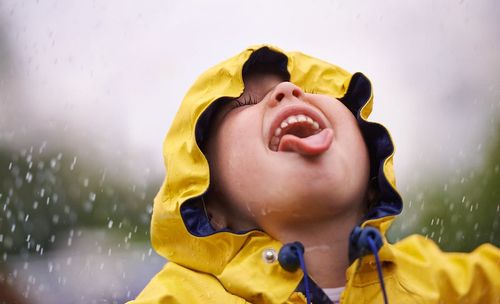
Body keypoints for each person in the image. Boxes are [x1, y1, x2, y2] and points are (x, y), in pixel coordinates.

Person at [129, 45, 500, 304]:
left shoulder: (439, 282)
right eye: (247, 102)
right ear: (208, 204)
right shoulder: (181, 299)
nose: (289, 92)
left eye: (312, 91)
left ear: (372, 179)